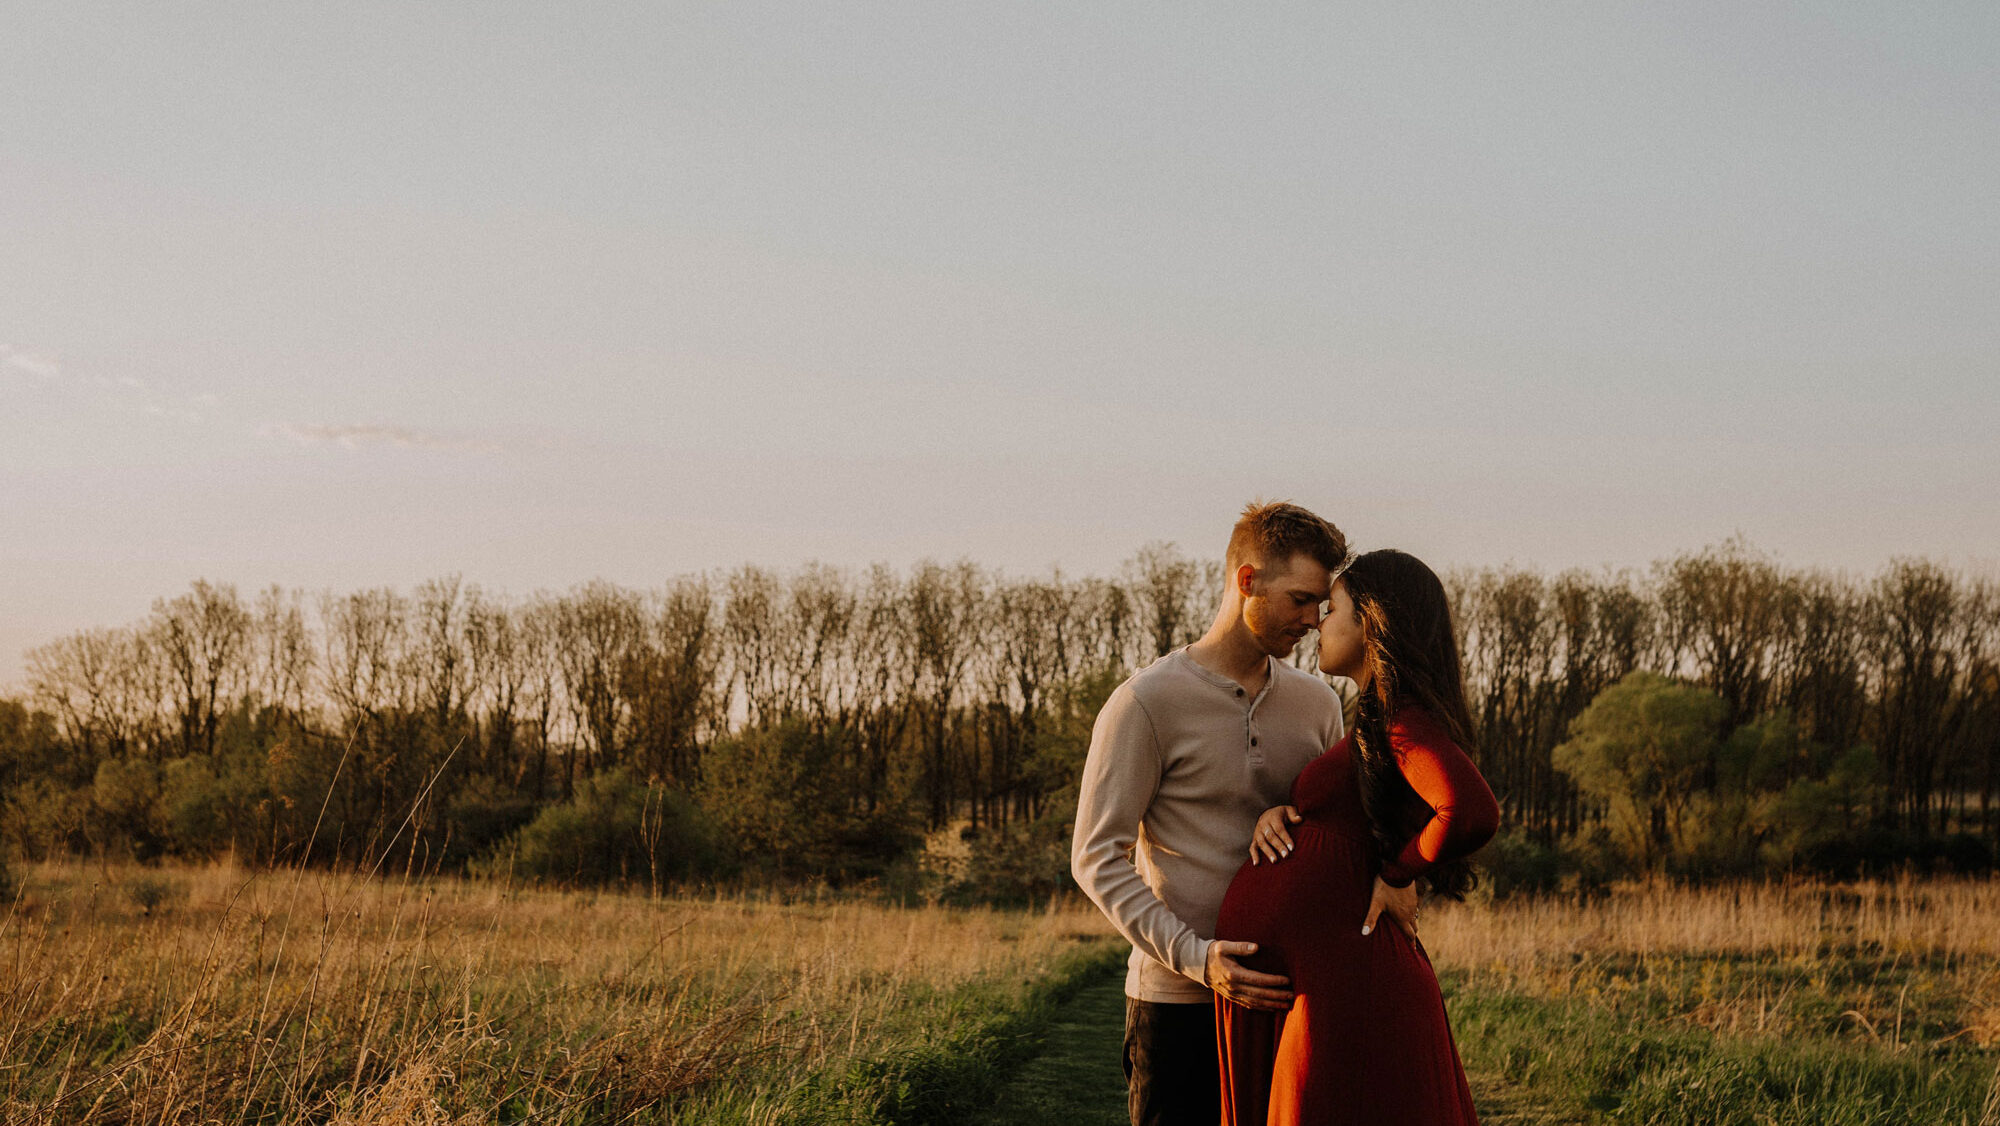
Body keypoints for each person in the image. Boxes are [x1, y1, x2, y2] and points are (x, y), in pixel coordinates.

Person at [1073, 501, 1409, 1126]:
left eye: (1321, 605)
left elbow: (1336, 824)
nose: (1313, 622)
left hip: (1290, 1001)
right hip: (1178, 1003)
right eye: (1300, 600)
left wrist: (1303, 818)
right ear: (1247, 580)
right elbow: (1095, 858)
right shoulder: (1145, 703)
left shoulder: (1316, 704)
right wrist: (1197, 958)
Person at [1213, 548, 1501, 1125]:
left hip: (1349, 985)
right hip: (1329, 978)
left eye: (1331, 608)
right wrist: (1291, 812)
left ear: (1369, 619)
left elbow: (1468, 811)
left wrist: (1399, 874)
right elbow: (1362, 818)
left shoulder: (1400, 716)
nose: (1318, 622)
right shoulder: (1375, 720)